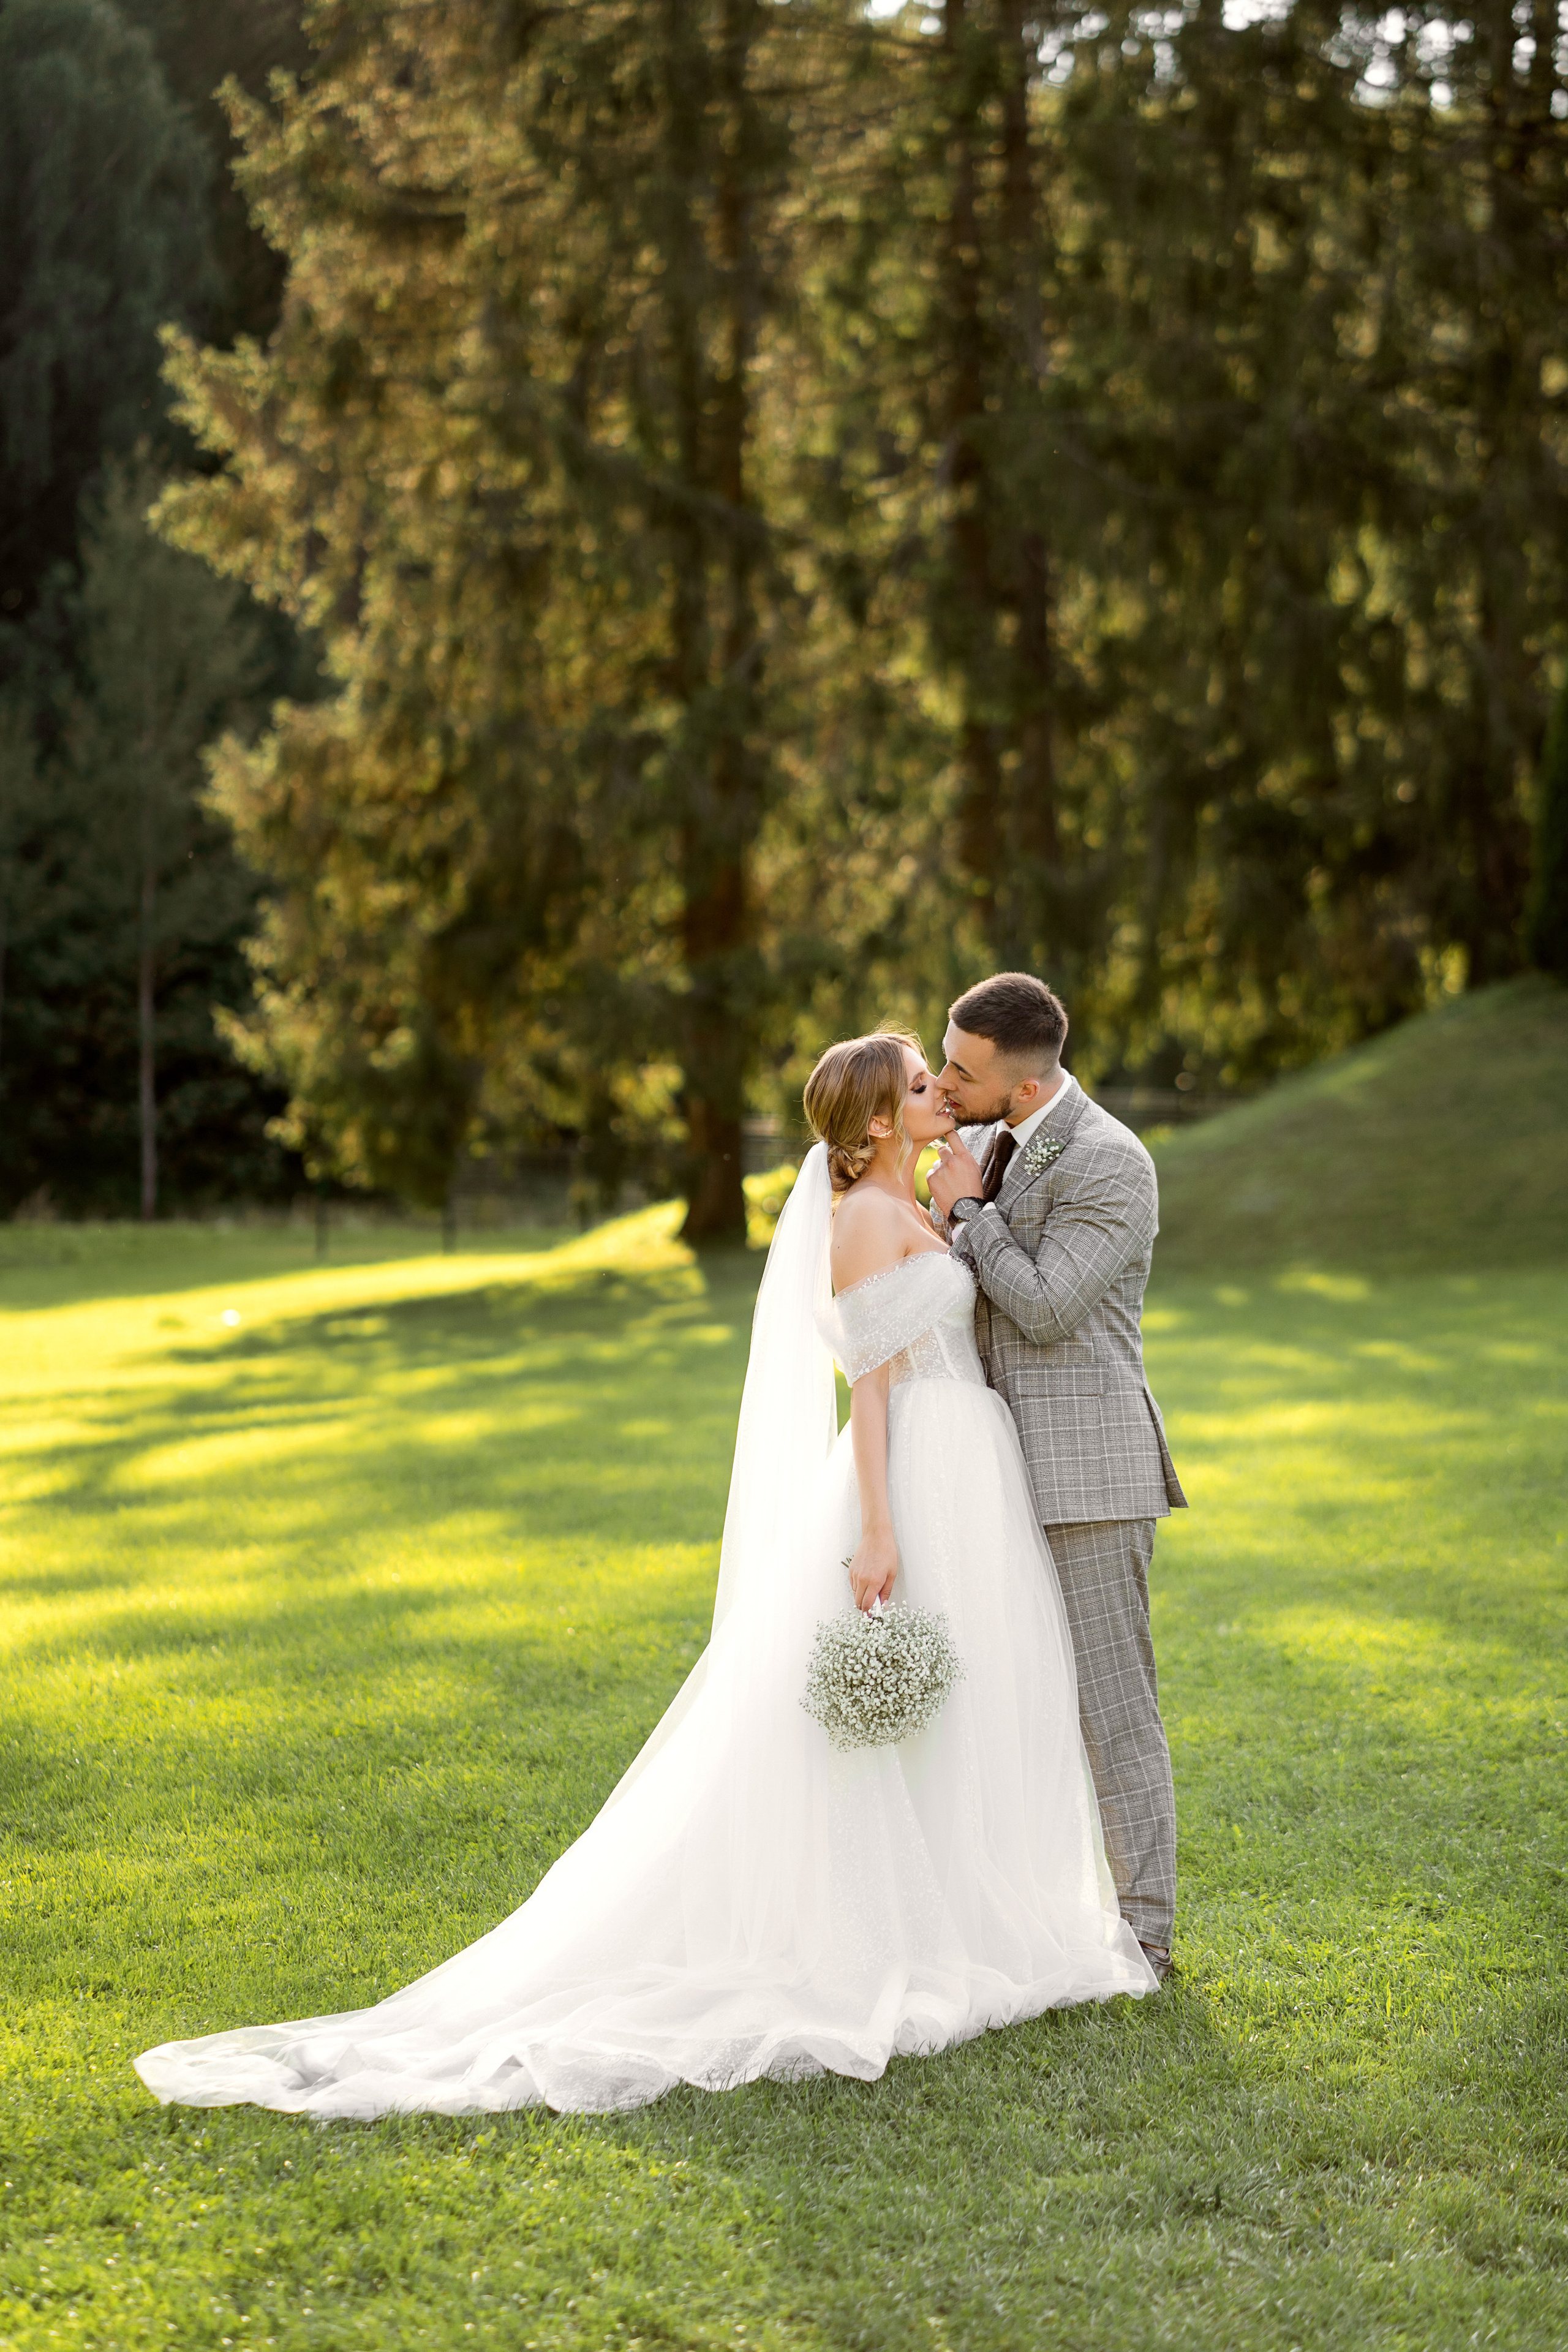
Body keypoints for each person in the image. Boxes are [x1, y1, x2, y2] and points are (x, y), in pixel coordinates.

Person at [134, 1031, 1152, 2122]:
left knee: (966, 1707)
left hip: (973, 1475)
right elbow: (872, 1391)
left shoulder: (924, 1202)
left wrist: (960, 1209)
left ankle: (966, 1912)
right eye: (918, 1084)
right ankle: (883, 1930)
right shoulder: (862, 1220)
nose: (939, 1094)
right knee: (880, 1727)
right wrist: (879, 1530)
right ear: (870, 1124)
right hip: (917, 1479)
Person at [927, 973, 1186, 1982]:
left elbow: (1043, 1305)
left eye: (961, 1069)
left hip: (1088, 1476)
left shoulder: (1114, 1162)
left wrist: (964, 1213)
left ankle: (1149, 1933)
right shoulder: (994, 1141)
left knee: (1112, 1710)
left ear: (1023, 1086)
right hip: (988, 1474)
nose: (945, 1084)